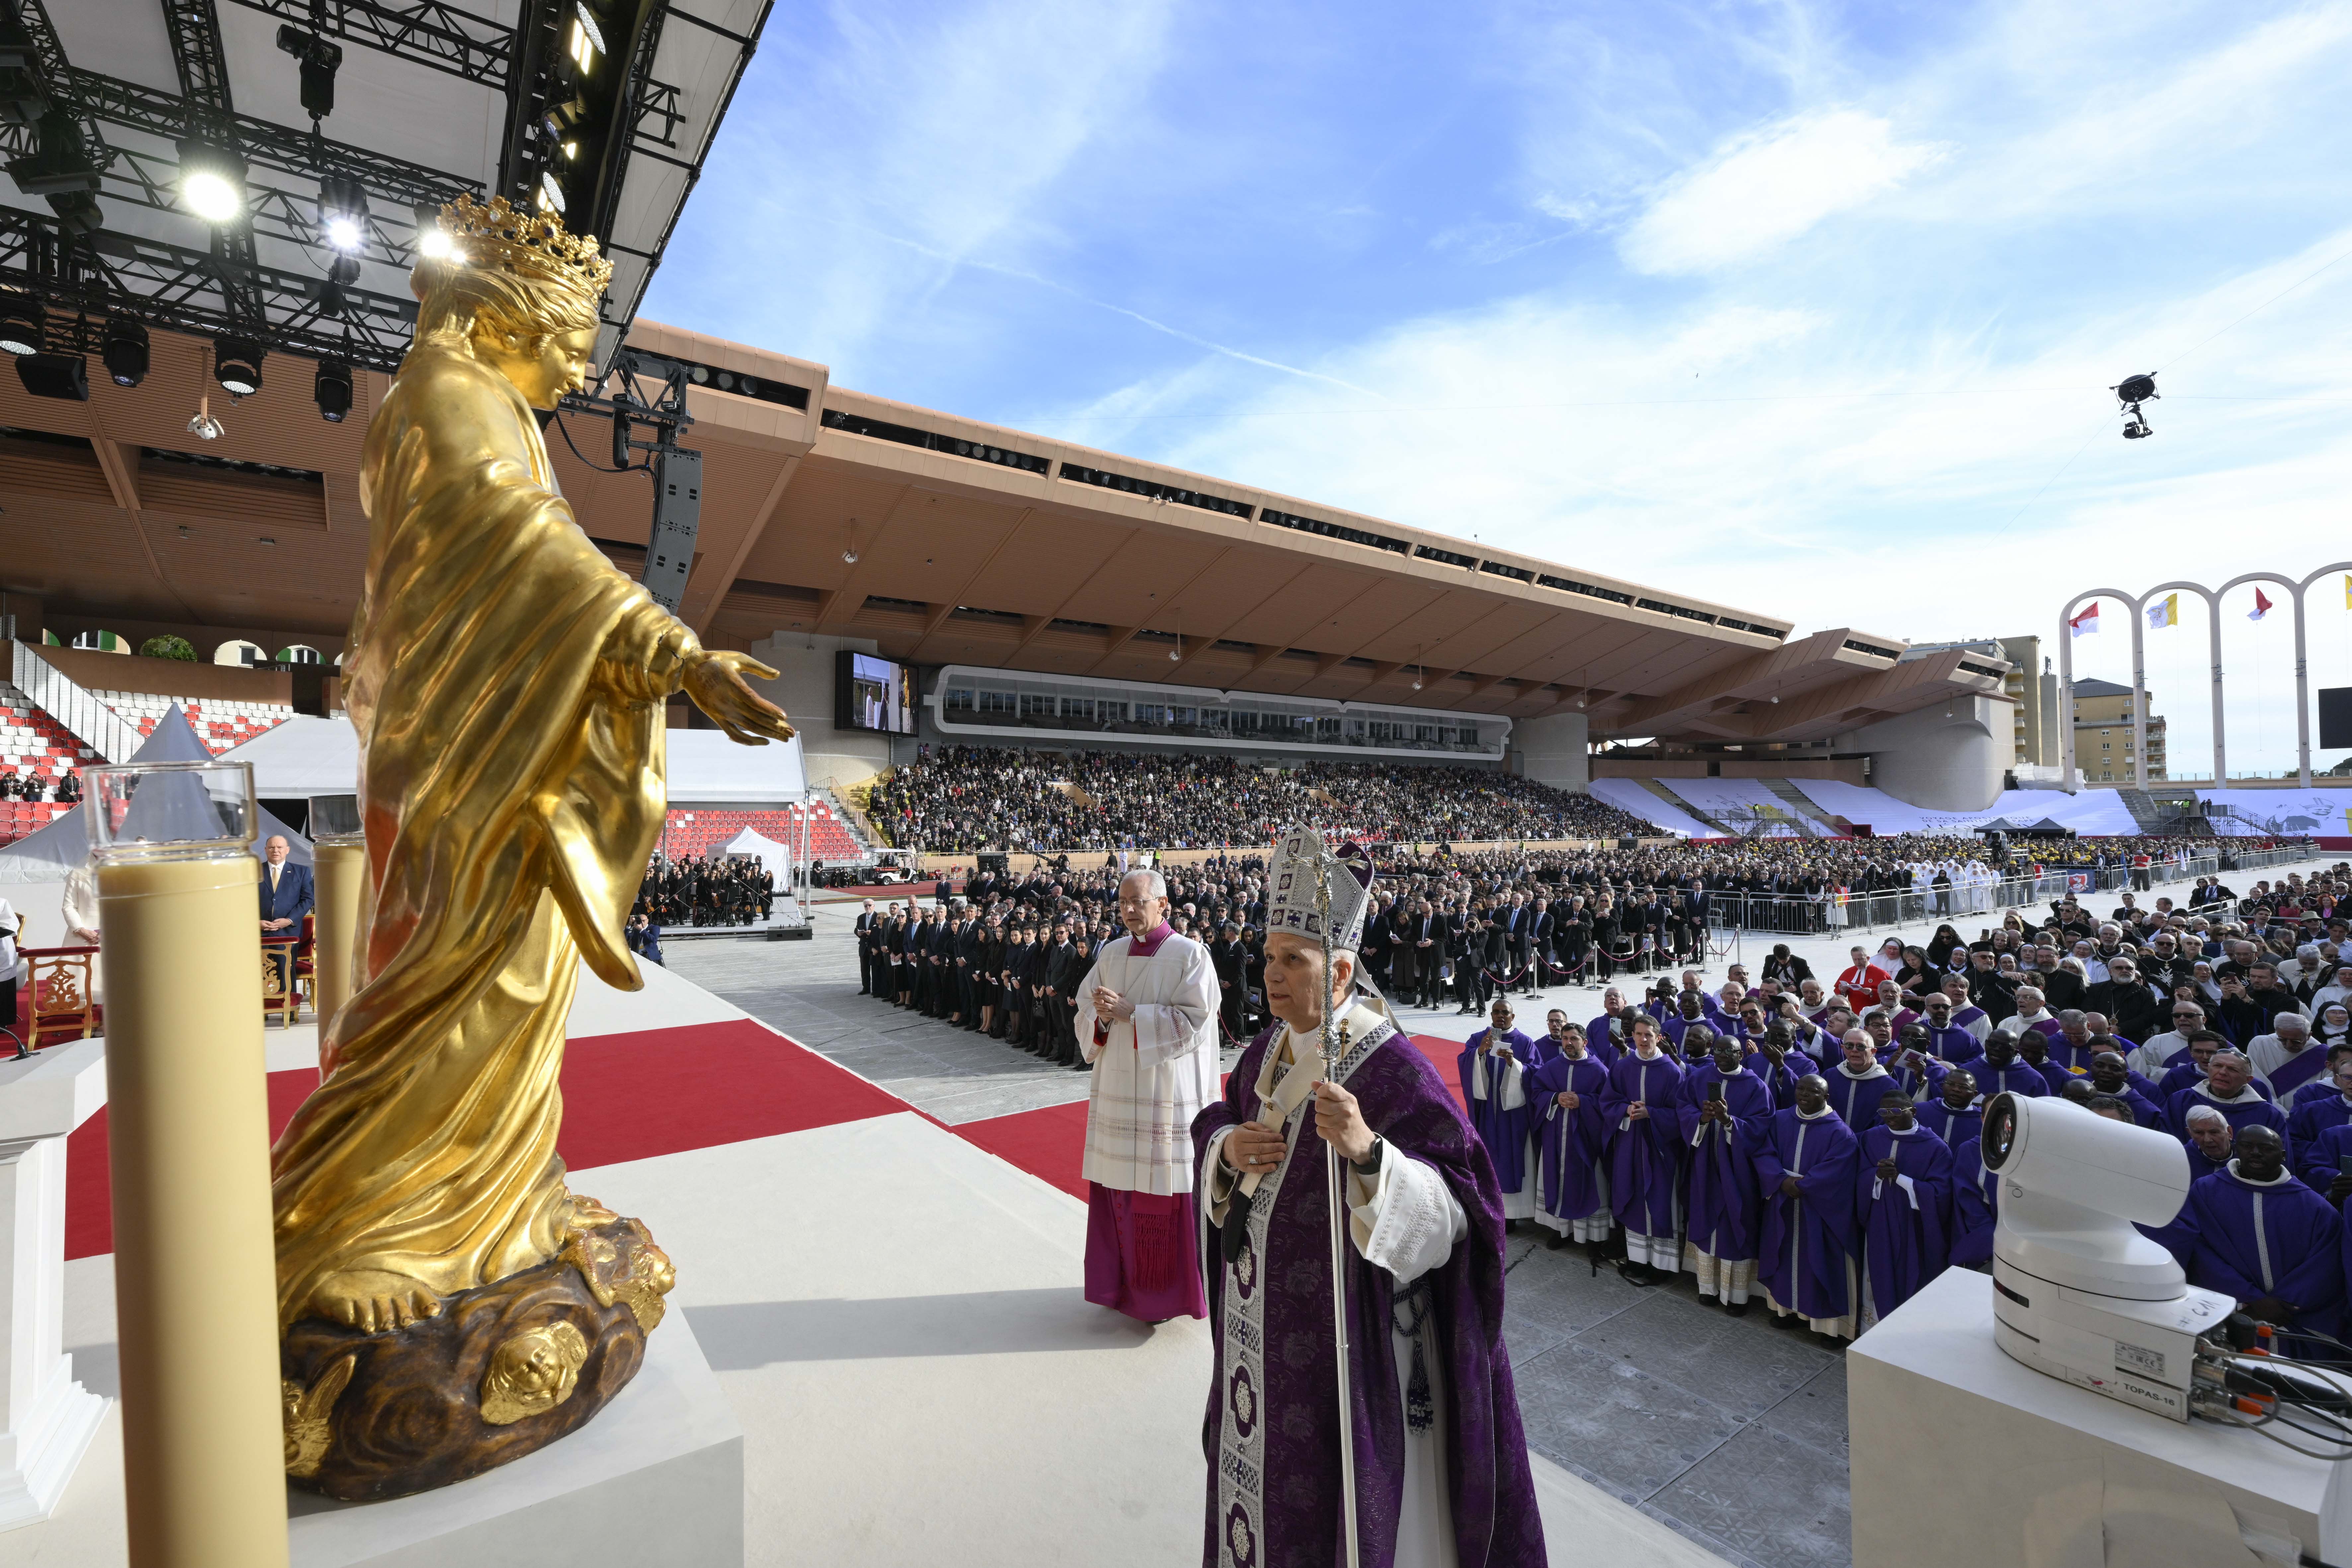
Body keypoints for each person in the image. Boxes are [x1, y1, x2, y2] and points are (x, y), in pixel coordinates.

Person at [1194, 829, 1545, 1567]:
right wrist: (1226, 1148)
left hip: (1351, 1356)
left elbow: (1466, 1209)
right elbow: (1217, 1120)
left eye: (1295, 960)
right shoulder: (1264, 1050)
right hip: (1260, 1338)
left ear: (1343, 970)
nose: (1273, 976)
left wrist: (1369, 1155)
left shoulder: (1394, 1071)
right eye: (1268, 958)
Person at [1075, 870, 1221, 1323]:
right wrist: (1099, 1018)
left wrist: (1131, 1014)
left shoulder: (1190, 955)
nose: (1128, 909)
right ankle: (1117, 1286)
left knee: (1161, 1197)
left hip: (1164, 1095)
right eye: (1122, 902)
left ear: (1163, 904)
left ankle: (1167, 1297)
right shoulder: (1111, 953)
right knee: (1118, 1191)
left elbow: (1196, 1021)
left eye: (1137, 901)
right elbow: (1084, 1009)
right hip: (1119, 1086)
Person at [2179, 1125, 2344, 1354]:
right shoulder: (2205, 1191)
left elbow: (2325, 1264)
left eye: (2266, 1148)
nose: (2255, 1153)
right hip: (2234, 1311)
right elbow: (2200, 1250)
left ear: (2283, 1155)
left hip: (2293, 1318)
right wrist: (2251, 1299)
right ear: (2236, 1148)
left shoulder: (2313, 1206)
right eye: (2247, 1146)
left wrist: (2282, 1303)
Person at [1753, 1074, 1861, 1343]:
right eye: (1800, 1089)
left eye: (1812, 1091)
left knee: (1819, 1261)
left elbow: (1838, 1169)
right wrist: (1780, 1180)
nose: (1803, 1094)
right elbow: (1764, 1152)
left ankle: (1827, 1326)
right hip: (1783, 1201)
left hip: (1820, 1209)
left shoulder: (1840, 1132)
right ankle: (1785, 1310)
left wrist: (1803, 1185)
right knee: (1782, 1253)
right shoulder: (1780, 1119)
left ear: (1825, 1097)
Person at [1679, 1036, 1772, 1313]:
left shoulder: (1756, 1086)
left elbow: (1762, 1125)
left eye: (1727, 1051)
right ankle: (1707, 1287)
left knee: (1736, 1223)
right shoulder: (1699, 1077)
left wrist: (1729, 1122)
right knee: (1705, 1216)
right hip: (1704, 1164)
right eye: (1717, 1050)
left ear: (1740, 1054)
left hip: (1738, 1170)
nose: (1720, 1055)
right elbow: (1682, 1108)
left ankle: (1736, 1296)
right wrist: (1703, 1118)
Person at [1856, 1096, 1954, 1328]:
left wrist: (1901, 1179)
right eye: (1884, 1111)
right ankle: (1873, 1326)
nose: (1889, 1116)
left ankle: (1905, 1327)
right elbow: (1857, 1176)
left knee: (1910, 1271)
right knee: (1877, 1270)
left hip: (1914, 1223)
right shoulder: (1871, 1137)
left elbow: (1940, 1192)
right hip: (1879, 1217)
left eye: (1896, 1110)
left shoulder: (1935, 1147)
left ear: (1913, 1111)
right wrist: (1876, 1176)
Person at [1602, 1014, 1684, 1286]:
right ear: (1632, 1036)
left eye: (1648, 1034)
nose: (1643, 1039)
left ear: (1658, 1037)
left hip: (1659, 1148)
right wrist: (1625, 1109)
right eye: (1638, 1034)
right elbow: (1608, 1101)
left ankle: (1661, 1266)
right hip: (1629, 1144)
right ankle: (1637, 1259)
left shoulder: (1672, 1071)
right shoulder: (1623, 1067)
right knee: (1633, 1194)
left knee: (1658, 1199)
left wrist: (1652, 1114)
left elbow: (1681, 1113)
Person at [1458, 998, 1548, 1226]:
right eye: (1496, 1012)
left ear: (1513, 1016)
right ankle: (1486, 1208)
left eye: (1505, 1012)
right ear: (1491, 1014)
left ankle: (1511, 1215)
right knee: (1488, 1158)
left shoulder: (1525, 1042)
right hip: (1487, 1112)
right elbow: (1464, 1062)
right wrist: (1479, 1052)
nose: (1500, 1016)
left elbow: (1535, 1073)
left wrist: (1514, 1065)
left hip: (1513, 1115)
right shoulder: (1479, 1038)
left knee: (1512, 1159)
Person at [1529, 1017, 1612, 1252]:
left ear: (1584, 1042)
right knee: (1558, 1180)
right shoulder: (1553, 1066)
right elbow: (1537, 1092)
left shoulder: (1598, 1069)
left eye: (1573, 1039)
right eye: (1565, 1039)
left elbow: (1607, 1103)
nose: (1568, 1043)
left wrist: (1582, 1101)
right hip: (1556, 1136)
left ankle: (1593, 1238)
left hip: (1585, 1140)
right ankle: (1561, 1230)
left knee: (1589, 1183)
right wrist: (1555, 1098)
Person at [2166, 1048, 2288, 1150]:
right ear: (2208, 1069)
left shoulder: (2268, 1114)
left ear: (2248, 1080)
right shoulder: (2180, 1101)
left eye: (2233, 1069)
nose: (2223, 1072)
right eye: (2218, 1066)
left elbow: (2279, 1157)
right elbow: (2167, 1144)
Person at [1825, 1029, 1900, 1128]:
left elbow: (1887, 1122)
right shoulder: (1830, 1076)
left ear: (1873, 1052)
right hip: (1834, 1139)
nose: (1855, 1050)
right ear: (1843, 1049)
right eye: (1849, 1046)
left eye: (1861, 1046)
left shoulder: (1889, 1085)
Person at [258, 834, 315, 936]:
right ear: (266, 850)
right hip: (257, 932)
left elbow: (308, 899)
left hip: (288, 932)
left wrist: (289, 920)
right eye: (272, 847)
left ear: (287, 850)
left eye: (280, 847)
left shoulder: (302, 872)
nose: (276, 851)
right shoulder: (253, 871)